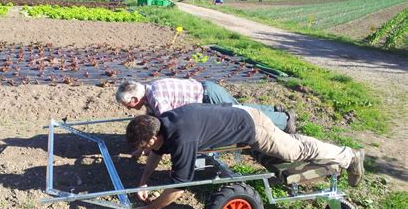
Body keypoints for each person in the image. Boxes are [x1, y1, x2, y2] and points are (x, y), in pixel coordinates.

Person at [126, 104, 365, 209]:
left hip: (252, 126)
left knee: (294, 152)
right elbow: (157, 153)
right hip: (238, 115)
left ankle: (350, 156)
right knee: (290, 145)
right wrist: (144, 181)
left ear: (153, 136)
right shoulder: (162, 124)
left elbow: (179, 186)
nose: (144, 151)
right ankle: (294, 138)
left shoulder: (181, 138)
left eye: (144, 146)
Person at [116, 79, 295, 133]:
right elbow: (153, 118)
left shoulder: (155, 97)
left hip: (208, 97)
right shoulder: (150, 89)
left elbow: (167, 122)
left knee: (242, 115)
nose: (129, 109)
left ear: (134, 99)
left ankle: (284, 120)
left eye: (127, 105)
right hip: (208, 90)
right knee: (240, 108)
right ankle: (273, 110)